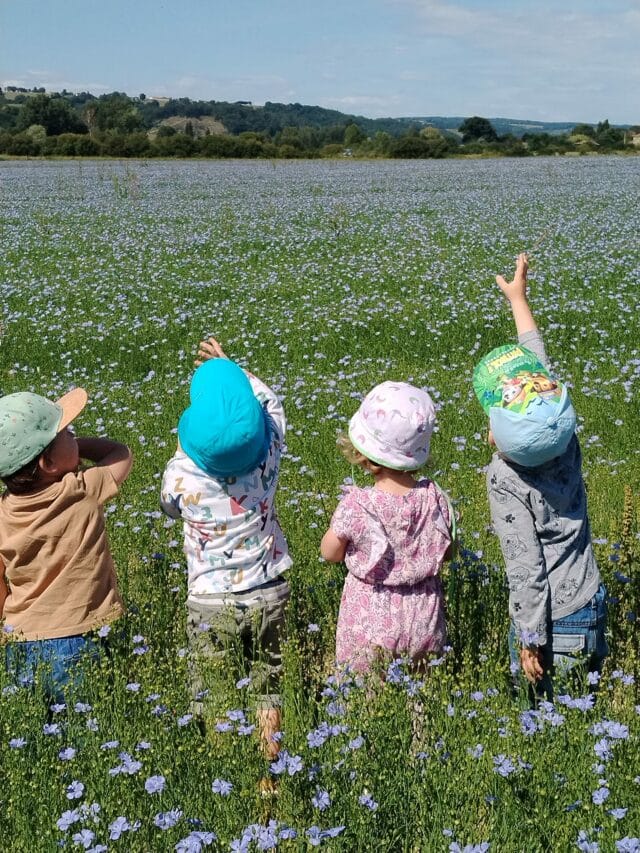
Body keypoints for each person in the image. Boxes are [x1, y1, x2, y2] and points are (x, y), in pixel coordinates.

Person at [473, 253, 607, 700]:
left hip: (551, 622)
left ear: (495, 435)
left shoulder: (504, 477)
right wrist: (518, 298)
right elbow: (537, 372)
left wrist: (531, 638)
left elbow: (525, 567)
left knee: (536, 719)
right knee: (584, 719)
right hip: (589, 603)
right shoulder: (564, 441)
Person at [160, 338, 291, 760]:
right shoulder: (268, 454)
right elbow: (271, 407)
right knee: (268, 685)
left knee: (215, 690)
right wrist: (234, 370)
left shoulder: (181, 474)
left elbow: (168, 508)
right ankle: (268, 769)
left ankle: (226, 766)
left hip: (209, 600)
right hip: (269, 590)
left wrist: (190, 450)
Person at [0, 388, 133, 703]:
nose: (73, 434)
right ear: (47, 463)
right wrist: (81, 447)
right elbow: (121, 454)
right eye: (66, 433)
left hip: (21, 640)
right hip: (83, 637)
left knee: (40, 734)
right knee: (90, 732)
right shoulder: (80, 491)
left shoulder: (1, 514)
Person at [320, 381, 455, 674]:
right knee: (420, 692)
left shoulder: (359, 505)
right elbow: (448, 551)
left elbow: (330, 552)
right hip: (424, 613)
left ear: (365, 457)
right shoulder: (434, 497)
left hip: (371, 614)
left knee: (368, 696)